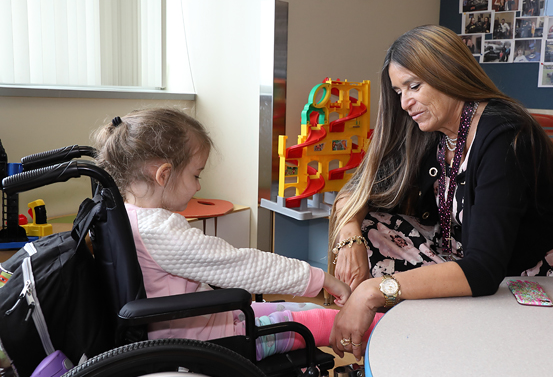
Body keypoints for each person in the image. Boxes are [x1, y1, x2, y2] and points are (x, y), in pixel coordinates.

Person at [327, 25, 553, 359]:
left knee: (376, 282)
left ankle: (410, 342)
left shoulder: (504, 134)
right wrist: (349, 239)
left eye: (414, 86)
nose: (404, 102)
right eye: (398, 91)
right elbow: (353, 192)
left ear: (448, 72)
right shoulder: (432, 129)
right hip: (464, 257)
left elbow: (485, 270)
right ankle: (403, 344)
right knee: (367, 222)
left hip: (525, 275)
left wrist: (374, 291)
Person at [93, 108, 381, 361]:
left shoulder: (124, 213)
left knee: (303, 307)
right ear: (164, 175)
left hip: (201, 324)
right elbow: (241, 266)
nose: (198, 187)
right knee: (324, 319)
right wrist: (322, 279)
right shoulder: (161, 232)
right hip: (208, 342)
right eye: (196, 175)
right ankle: (395, 334)